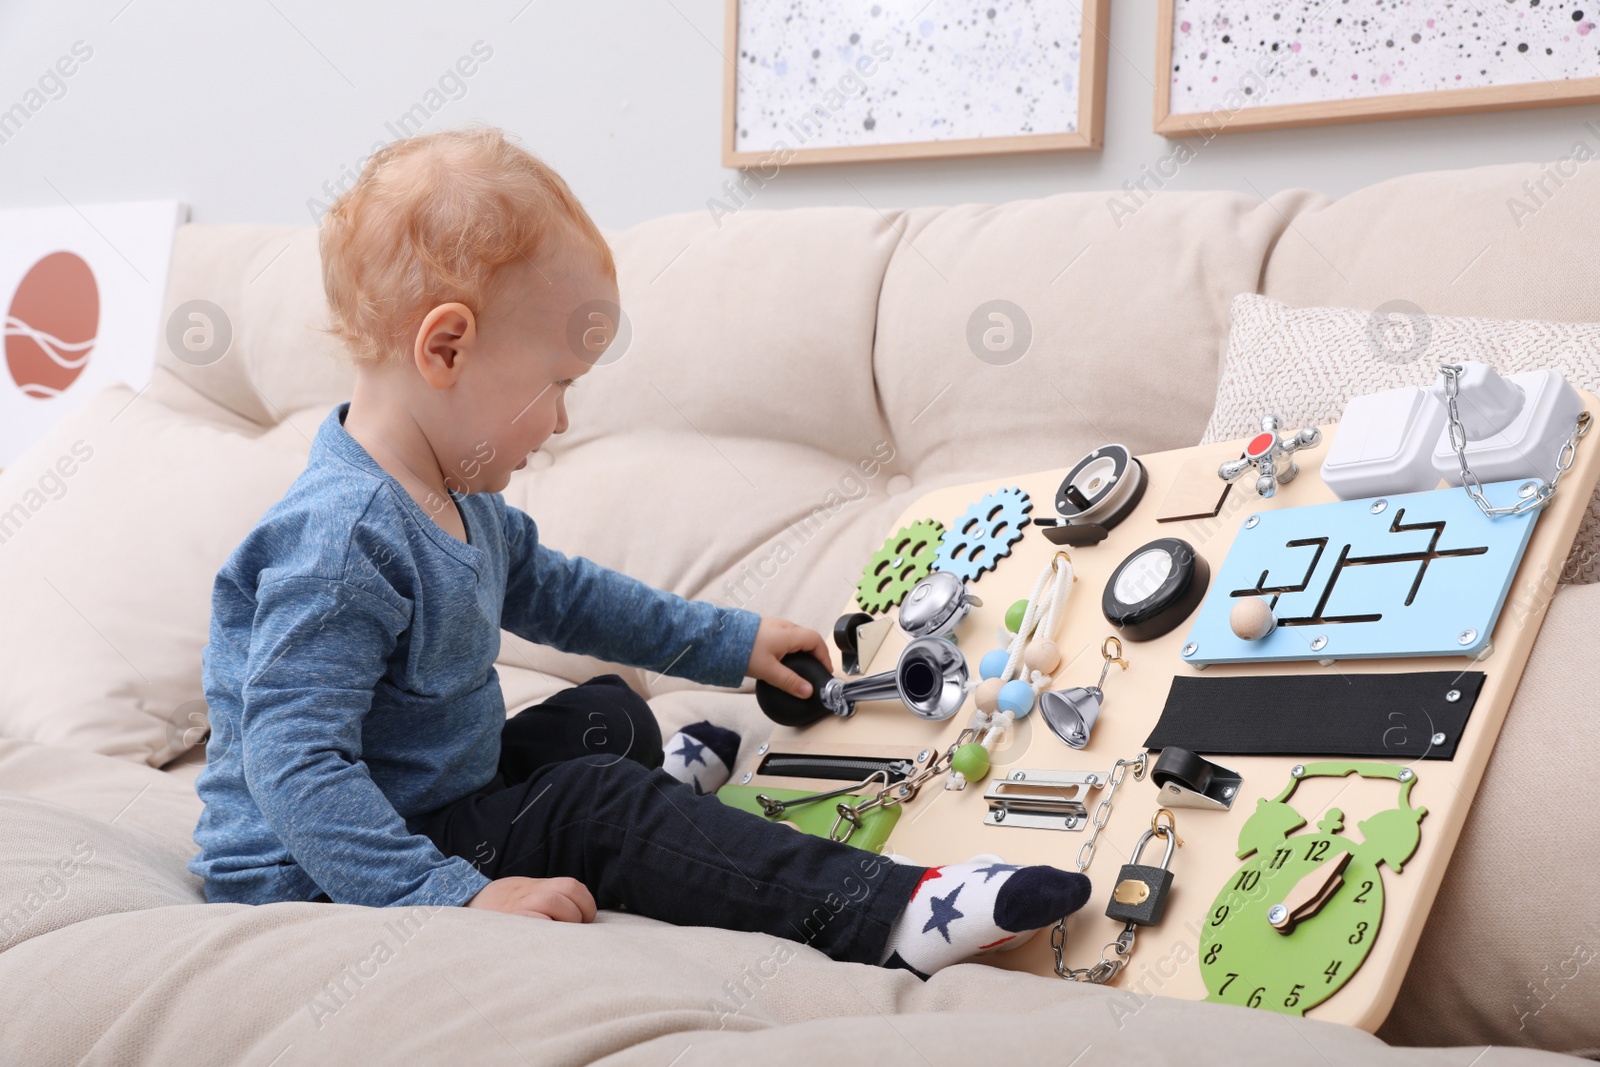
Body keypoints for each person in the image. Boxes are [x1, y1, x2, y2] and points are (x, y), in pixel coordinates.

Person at [188, 125, 1091, 978]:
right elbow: (294, 766)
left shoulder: (457, 495)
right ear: (448, 346)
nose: (564, 420)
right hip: (326, 869)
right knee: (599, 803)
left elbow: (565, 596)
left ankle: (667, 815)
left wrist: (727, 642)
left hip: (424, 795)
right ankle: (895, 914)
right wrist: (447, 896)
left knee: (610, 716)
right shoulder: (345, 539)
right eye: (557, 385)